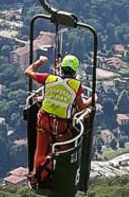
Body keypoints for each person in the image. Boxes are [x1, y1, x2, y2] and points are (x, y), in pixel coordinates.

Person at [24, 54, 92, 186]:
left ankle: (38, 175)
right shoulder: (75, 86)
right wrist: (92, 99)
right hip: (61, 125)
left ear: (62, 68)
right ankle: (59, 174)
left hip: (44, 121)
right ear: (74, 71)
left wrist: (40, 62)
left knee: (40, 149)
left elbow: (28, 72)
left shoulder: (49, 79)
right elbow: (81, 106)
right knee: (63, 150)